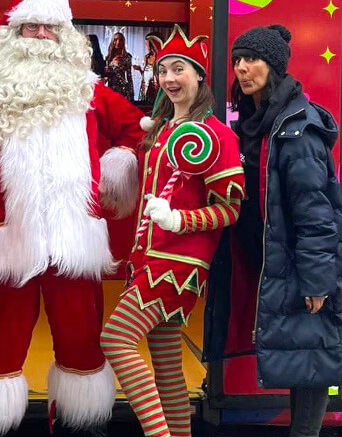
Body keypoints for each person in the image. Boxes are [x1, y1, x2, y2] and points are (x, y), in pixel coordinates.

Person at [0, 0, 145, 437]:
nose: (38, 35)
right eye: (29, 26)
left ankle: (81, 421)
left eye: (48, 28)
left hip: (75, 236)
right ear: (12, 33)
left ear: (63, 36)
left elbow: (134, 130)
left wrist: (112, 173)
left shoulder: (89, 90)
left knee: (82, 333)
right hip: (8, 234)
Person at [100, 25, 245, 437]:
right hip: (149, 257)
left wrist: (180, 220)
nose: (168, 78)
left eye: (178, 69)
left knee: (116, 340)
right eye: (162, 70)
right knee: (165, 361)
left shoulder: (217, 134)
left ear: (199, 76)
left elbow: (229, 209)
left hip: (178, 263)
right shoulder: (162, 130)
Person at [229, 24, 342, 437]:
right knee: (303, 350)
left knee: (312, 353)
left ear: (275, 66)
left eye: (252, 59)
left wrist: (318, 282)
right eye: (238, 61)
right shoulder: (260, 121)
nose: (243, 69)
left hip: (303, 262)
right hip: (277, 257)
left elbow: (315, 212)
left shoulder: (296, 127)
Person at [104, 32, 134, 100]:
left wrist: (131, 93)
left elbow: (129, 76)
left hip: (123, 89)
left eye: (120, 40)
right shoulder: (108, 57)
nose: (118, 42)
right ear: (113, 41)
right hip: (111, 88)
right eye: (115, 40)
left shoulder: (127, 56)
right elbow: (105, 75)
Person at [132, 32, 160, 105]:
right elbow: (145, 74)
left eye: (147, 42)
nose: (145, 44)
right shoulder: (146, 57)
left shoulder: (160, 56)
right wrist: (139, 70)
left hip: (156, 87)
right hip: (146, 86)